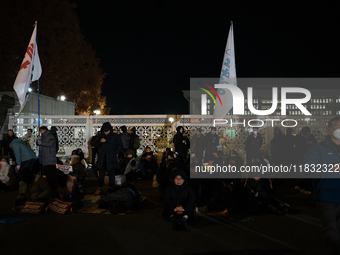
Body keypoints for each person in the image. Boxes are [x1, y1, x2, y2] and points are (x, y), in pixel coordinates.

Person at [303, 117, 340, 255]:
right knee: (331, 229)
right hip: (326, 194)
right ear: (329, 129)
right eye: (337, 126)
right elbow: (307, 167)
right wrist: (331, 167)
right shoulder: (318, 148)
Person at [90, 122, 123, 195]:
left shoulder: (115, 136)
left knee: (112, 174)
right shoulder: (99, 136)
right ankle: (100, 188)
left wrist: (115, 152)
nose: (106, 132)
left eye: (107, 131)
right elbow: (94, 145)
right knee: (101, 174)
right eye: (105, 131)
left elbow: (120, 145)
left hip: (111, 158)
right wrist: (100, 141)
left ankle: (111, 188)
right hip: (102, 158)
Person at [36, 126, 58, 196]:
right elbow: (39, 143)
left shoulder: (50, 135)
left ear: (44, 130)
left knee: (49, 173)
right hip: (44, 158)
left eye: (41, 131)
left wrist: (41, 142)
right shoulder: (43, 136)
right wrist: (38, 140)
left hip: (49, 158)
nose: (40, 132)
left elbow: (50, 144)